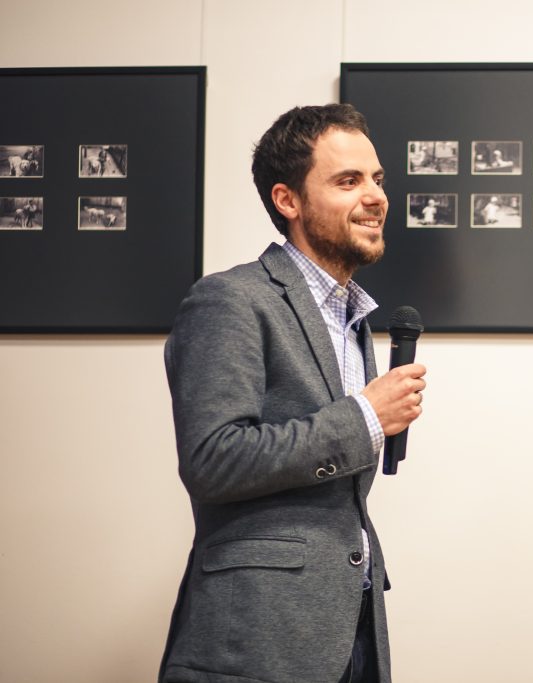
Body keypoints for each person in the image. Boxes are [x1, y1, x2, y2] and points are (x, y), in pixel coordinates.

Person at [159, 103, 427, 683]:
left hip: (352, 626)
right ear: (288, 200)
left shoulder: (352, 320)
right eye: (348, 181)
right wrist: (365, 417)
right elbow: (212, 460)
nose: (377, 196)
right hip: (257, 639)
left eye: (377, 178)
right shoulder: (230, 300)